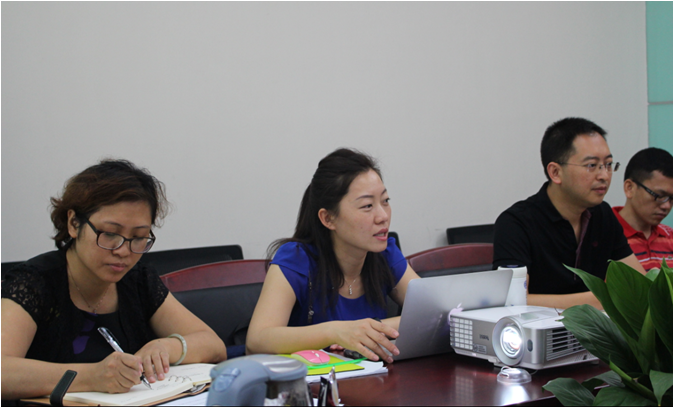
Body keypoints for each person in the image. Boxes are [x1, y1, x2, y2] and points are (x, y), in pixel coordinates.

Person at [1, 159, 227, 402]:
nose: (123, 251)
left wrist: (165, 347)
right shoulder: (33, 282)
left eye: (138, 237)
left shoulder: (137, 279)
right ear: (74, 224)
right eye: (110, 234)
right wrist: (91, 376)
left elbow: (214, 346)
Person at [246, 148, 420, 363]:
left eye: (385, 201)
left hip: (374, 378)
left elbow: (434, 313)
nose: (383, 216)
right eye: (367, 206)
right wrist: (335, 332)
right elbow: (257, 340)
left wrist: (369, 328)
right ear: (328, 218)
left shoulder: (385, 254)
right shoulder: (296, 259)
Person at [493, 117, 646, 310]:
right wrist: (602, 298)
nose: (604, 175)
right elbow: (511, 301)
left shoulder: (603, 215)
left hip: (596, 328)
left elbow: (641, 285)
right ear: (556, 172)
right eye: (591, 165)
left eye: (608, 164)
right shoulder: (516, 223)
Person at [612, 147, 673, 270]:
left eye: (671, 198)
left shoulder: (670, 237)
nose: (666, 206)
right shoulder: (602, 235)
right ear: (630, 188)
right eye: (659, 196)